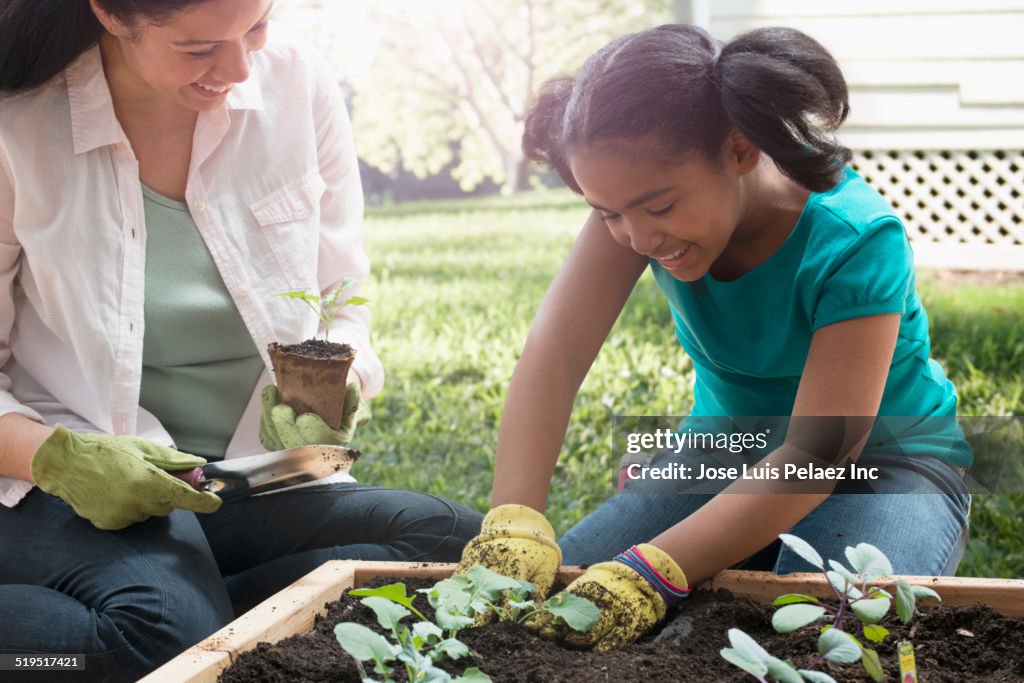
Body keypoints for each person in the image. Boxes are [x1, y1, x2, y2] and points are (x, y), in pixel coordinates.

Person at [0, 0, 481, 679]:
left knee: (450, 544)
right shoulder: (16, 123)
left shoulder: (298, 86)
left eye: (257, 25)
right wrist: (59, 458)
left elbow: (343, 298)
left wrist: (330, 380)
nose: (239, 66)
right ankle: (170, 614)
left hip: (249, 478)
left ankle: (189, 605)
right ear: (109, 13)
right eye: (198, 48)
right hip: (69, 482)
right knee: (163, 637)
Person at [456, 24, 972, 652]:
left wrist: (652, 574)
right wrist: (515, 521)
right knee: (559, 620)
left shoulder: (855, 240)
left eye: (658, 208)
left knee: (822, 641)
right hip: (728, 448)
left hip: (888, 461)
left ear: (740, 148)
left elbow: (817, 453)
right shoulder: (635, 208)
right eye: (607, 213)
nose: (637, 239)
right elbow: (554, 357)